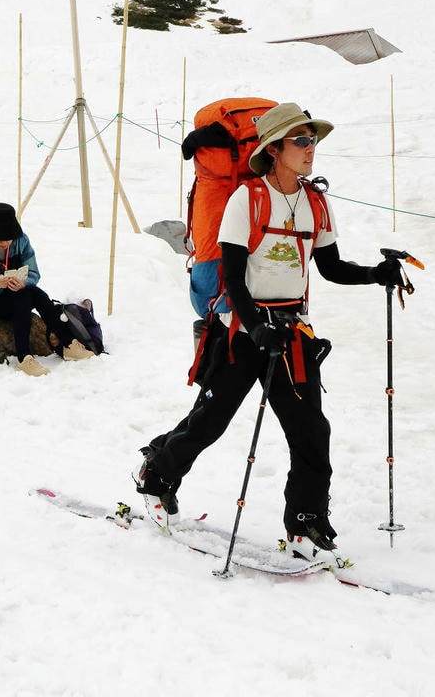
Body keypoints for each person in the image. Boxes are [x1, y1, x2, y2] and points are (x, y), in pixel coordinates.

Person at [133, 102, 407, 561]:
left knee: (311, 433)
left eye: (313, 140)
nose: (310, 149)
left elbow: (332, 267)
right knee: (210, 423)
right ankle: (155, 479)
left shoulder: (316, 202)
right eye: (301, 141)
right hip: (243, 330)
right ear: (274, 148)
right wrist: (256, 328)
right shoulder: (248, 198)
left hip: (292, 334)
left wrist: (376, 274)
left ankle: (305, 523)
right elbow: (234, 278)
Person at [0, 203, 94, 376]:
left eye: (8, 239)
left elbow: (33, 272)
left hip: (16, 294)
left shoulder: (21, 240)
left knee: (37, 294)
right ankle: (24, 357)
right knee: (24, 297)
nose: (4, 243)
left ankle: (68, 345)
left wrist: (24, 282)